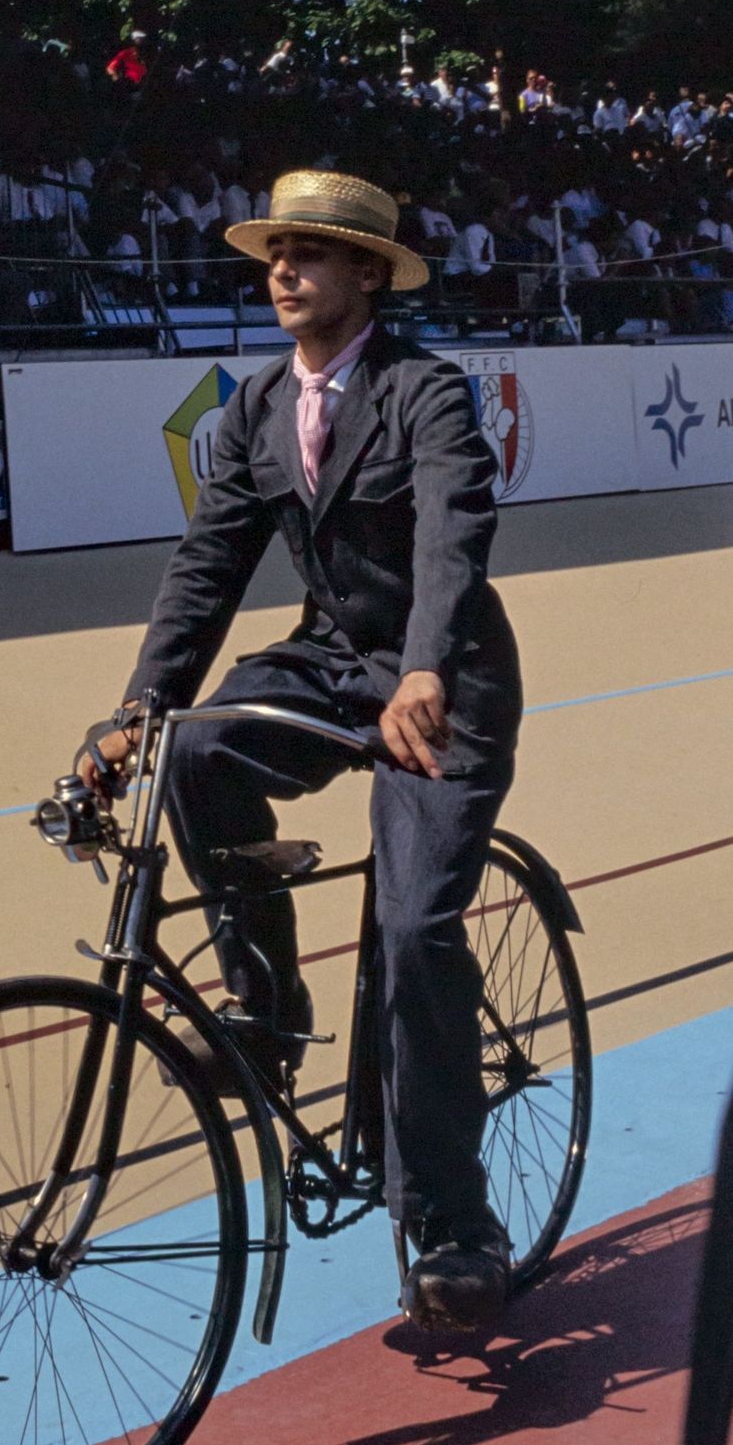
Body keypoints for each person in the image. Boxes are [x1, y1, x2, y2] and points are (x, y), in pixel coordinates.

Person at [76, 168, 521, 1333]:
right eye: (275, 252)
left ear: (366, 275)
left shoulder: (425, 393)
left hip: (445, 678)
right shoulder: (258, 408)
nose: (283, 271)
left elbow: (452, 535)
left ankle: (457, 1220)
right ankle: (267, 1020)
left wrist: (425, 664)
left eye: (310, 255)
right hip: (331, 664)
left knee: (417, 931)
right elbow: (207, 568)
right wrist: (137, 707)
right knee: (198, 753)